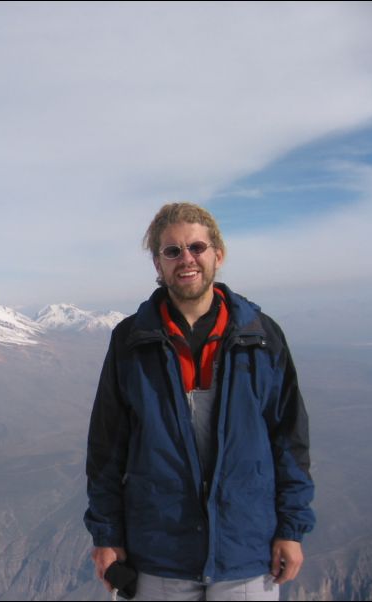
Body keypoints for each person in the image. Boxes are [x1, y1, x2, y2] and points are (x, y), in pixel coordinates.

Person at [84, 202, 314, 600]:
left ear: (217, 255)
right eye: (171, 251)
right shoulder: (131, 341)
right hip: (159, 556)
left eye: (196, 247)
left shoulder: (260, 336)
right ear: (157, 264)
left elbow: (288, 440)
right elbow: (107, 448)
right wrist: (107, 535)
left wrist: (290, 529)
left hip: (245, 554)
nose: (186, 259)